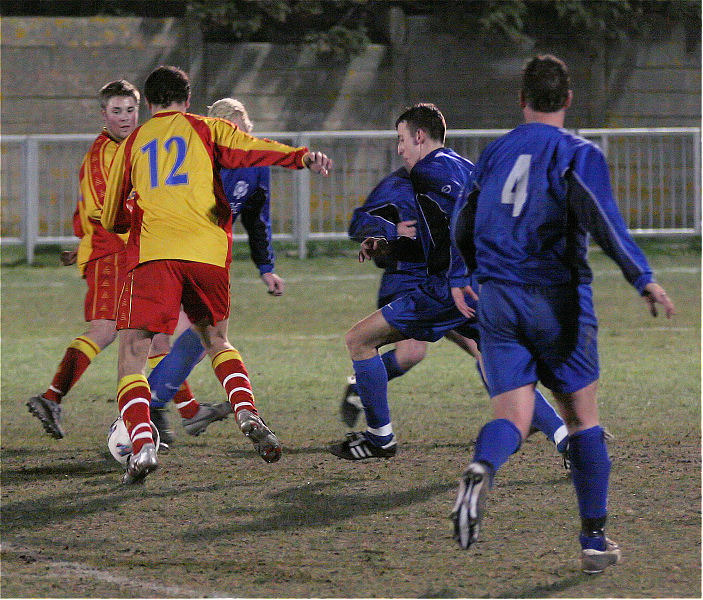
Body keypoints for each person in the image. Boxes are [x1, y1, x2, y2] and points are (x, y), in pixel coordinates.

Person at [450, 54, 675, 574]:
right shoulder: (578, 153)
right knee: (581, 420)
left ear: (521, 100)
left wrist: (460, 275)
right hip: (557, 300)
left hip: (498, 300)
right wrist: (642, 277)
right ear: (569, 99)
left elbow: (464, 216)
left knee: (511, 415)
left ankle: (482, 467)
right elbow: (604, 219)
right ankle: (594, 541)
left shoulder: (495, 151)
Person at [101, 65, 332, 484]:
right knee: (216, 340)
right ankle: (245, 411)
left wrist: (131, 219)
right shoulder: (208, 129)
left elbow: (111, 214)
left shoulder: (133, 141)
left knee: (132, 355)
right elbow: (252, 148)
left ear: (148, 104)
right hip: (208, 255)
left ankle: (143, 444)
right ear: (187, 100)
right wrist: (301, 157)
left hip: (155, 256)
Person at [328, 103, 568, 462]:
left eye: (401, 139)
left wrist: (457, 275)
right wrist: (389, 247)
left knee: (359, 340)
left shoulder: (428, 171)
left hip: (448, 289)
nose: (399, 149)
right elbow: (443, 237)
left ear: (419, 137)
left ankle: (380, 439)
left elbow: (463, 217)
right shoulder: (462, 164)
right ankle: (569, 443)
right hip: (487, 286)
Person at [146, 97, 288, 445]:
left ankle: (153, 408)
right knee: (176, 335)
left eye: (240, 130)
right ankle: (149, 411)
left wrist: (266, 267)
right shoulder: (198, 157)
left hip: (208, 257)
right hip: (170, 251)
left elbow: (257, 218)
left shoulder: (255, 162)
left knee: (203, 333)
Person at [26, 80, 148, 439]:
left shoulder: (132, 146)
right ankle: (52, 397)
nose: (125, 117)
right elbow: (103, 210)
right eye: (116, 110)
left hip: (124, 253)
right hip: (110, 254)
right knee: (105, 330)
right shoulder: (102, 154)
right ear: (103, 114)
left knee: (149, 332)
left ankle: (179, 410)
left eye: (130, 110)